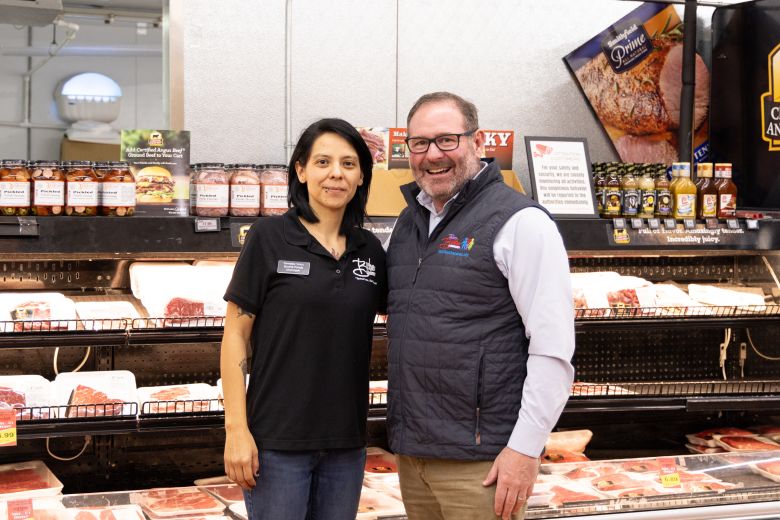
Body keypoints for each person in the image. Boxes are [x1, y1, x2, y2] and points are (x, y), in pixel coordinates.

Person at [386, 92, 575, 520]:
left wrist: (525, 449)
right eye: (419, 143)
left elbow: (553, 349)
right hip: (413, 457)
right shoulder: (409, 222)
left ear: (478, 142)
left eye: (447, 140)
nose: (432, 155)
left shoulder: (521, 222)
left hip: (483, 465)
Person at [221, 118, 387, 520]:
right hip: (276, 443)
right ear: (300, 169)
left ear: (362, 174)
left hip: (347, 444)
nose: (336, 174)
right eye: (323, 162)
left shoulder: (371, 250)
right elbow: (235, 336)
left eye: (349, 164)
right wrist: (236, 431)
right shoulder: (269, 237)